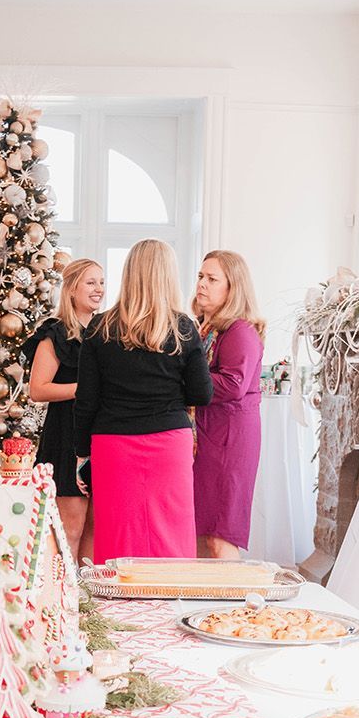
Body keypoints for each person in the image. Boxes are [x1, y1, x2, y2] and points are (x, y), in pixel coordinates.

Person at [73, 238, 212, 564]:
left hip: (113, 445)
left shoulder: (99, 326)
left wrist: (82, 454)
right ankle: (171, 609)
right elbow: (202, 393)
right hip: (168, 443)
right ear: (169, 275)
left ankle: (117, 613)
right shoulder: (184, 327)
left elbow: (86, 399)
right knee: (171, 537)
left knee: (118, 536)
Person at [23, 257, 103, 565]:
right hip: (66, 435)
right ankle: (61, 598)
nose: (99, 289)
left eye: (102, 282)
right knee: (70, 526)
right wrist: (86, 389)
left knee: (95, 527)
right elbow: (37, 389)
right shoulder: (55, 333)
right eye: (91, 282)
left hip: (99, 435)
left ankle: (88, 601)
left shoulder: (103, 332)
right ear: (71, 289)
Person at [191, 250, 266, 558]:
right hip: (207, 435)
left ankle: (229, 604)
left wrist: (183, 384)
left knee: (220, 534)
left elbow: (234, 385)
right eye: (200, 277)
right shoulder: (204, 327)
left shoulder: (240, 331)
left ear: (232, 287)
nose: (202, 285)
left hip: (229, 439)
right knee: (200, 530)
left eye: (212, 279)